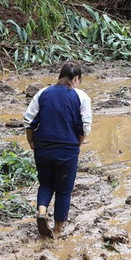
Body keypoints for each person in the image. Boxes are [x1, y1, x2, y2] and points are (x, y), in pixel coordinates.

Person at [24, 62, 93, 239]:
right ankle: (57, 231)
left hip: (43, 147)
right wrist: (77, 144)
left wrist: (31, 141)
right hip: (67, 150)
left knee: (46, 184)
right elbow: (84, 127)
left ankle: (42, 211)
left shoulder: (43, 93)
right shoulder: (81, 97)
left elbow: (29, 121)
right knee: (63, 191)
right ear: (76, 78)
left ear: (60, 76)